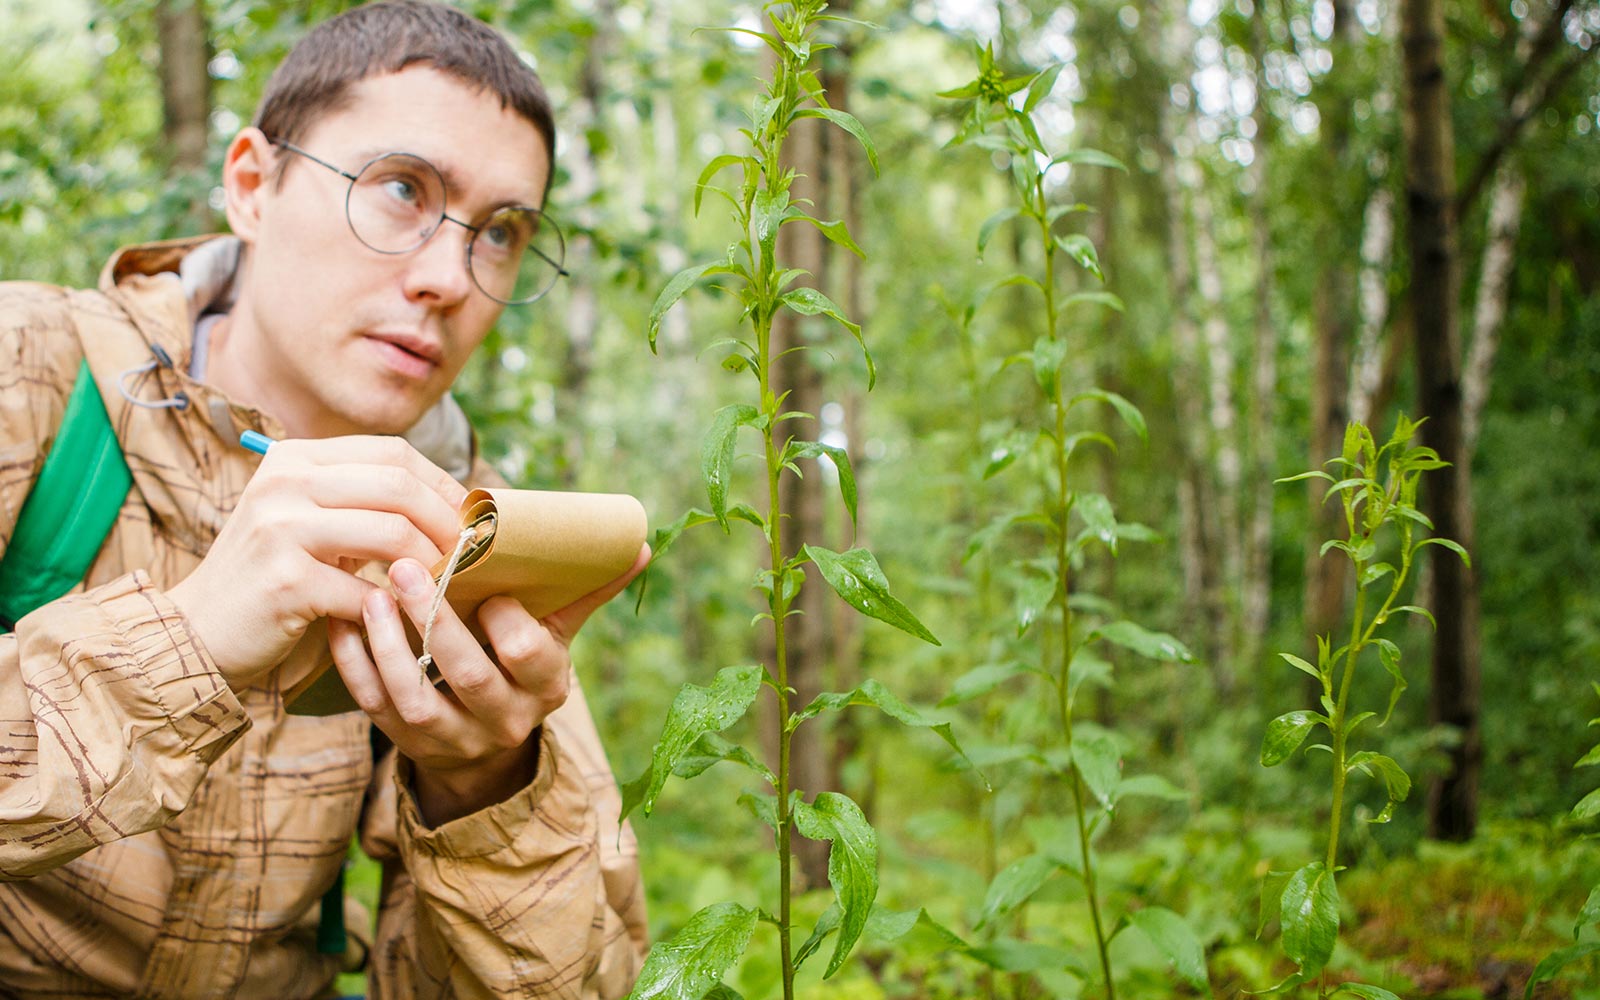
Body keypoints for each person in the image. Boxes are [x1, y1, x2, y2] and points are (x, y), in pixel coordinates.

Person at [0, 2, 648, 997]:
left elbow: (589, 983)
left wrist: (483, 788)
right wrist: (193, 644)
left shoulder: (465, 534)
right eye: (401, 190)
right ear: (252, 186)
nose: (448, 277)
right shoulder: (31, 373)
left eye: (502, 232)